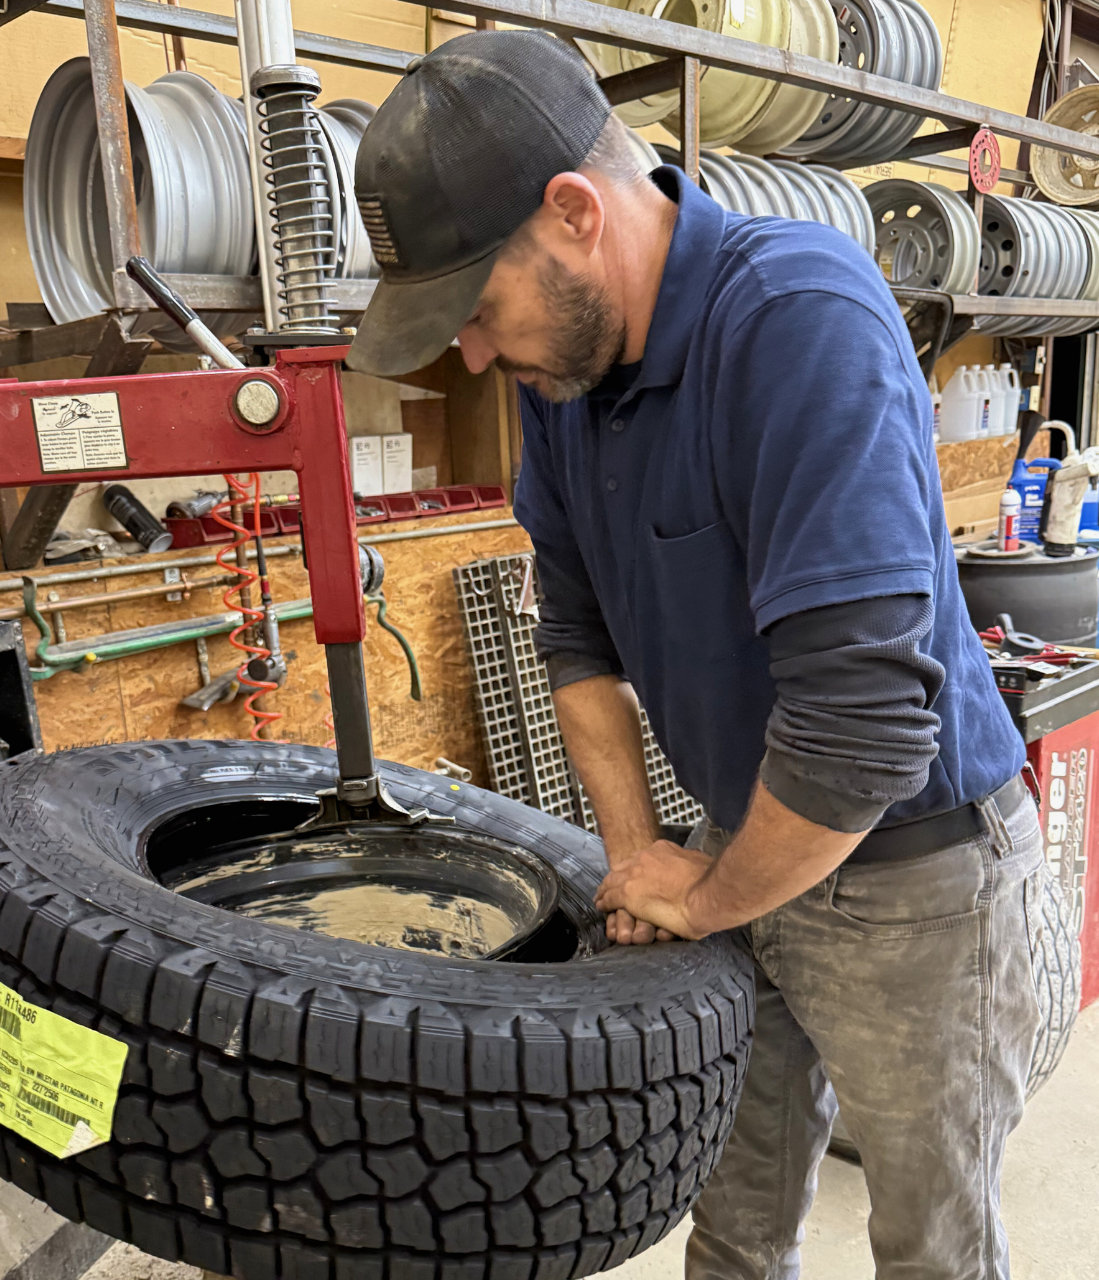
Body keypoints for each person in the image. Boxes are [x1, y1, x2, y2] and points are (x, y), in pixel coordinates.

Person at [347, 27, 1045, 1280]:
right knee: (729, 1210)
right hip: (736, 839)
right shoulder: (563, 377)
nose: (468, 351)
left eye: (473, 305)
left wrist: (705, 893)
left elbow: (862, 722)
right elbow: (575, 637)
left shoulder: (796, 319)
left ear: (572, 213)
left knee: (928, 1245)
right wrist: (634, 859)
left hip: (912, 874)